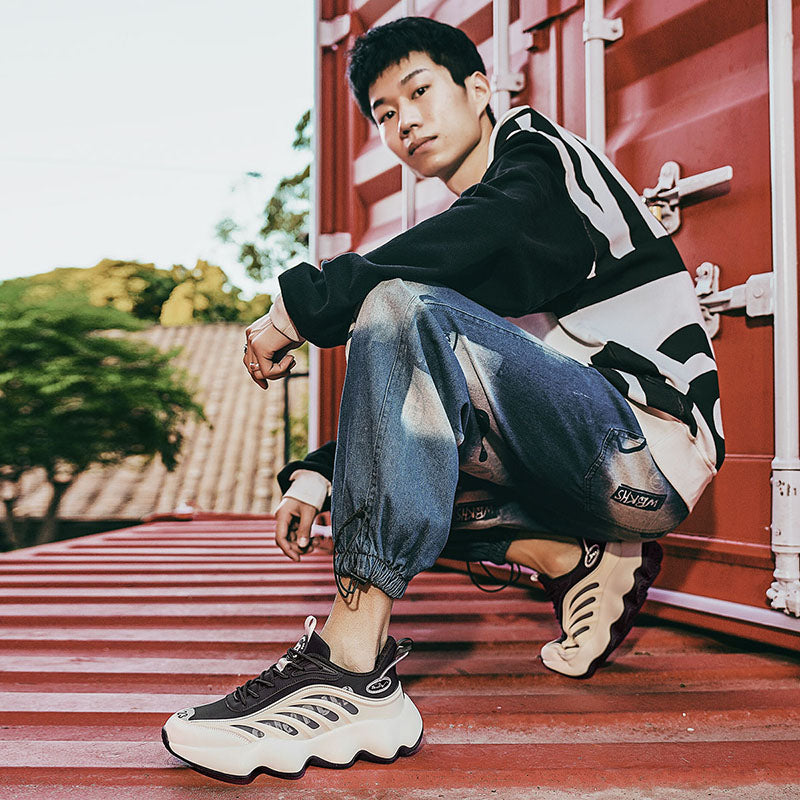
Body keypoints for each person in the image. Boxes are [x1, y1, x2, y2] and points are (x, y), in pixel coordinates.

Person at [162, 16, 724, 783]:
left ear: (480, 88)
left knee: (398, 304)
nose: (405, 121)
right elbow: (433, 394)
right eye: (385, 113)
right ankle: (574, 558)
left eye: (420, 91)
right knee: (379, 459)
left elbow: (467, 255)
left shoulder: (542, 162)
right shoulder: (475, 231)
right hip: (582, 464)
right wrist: (323, 471)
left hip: (644, 449)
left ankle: (351, 669)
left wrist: (300, 309)